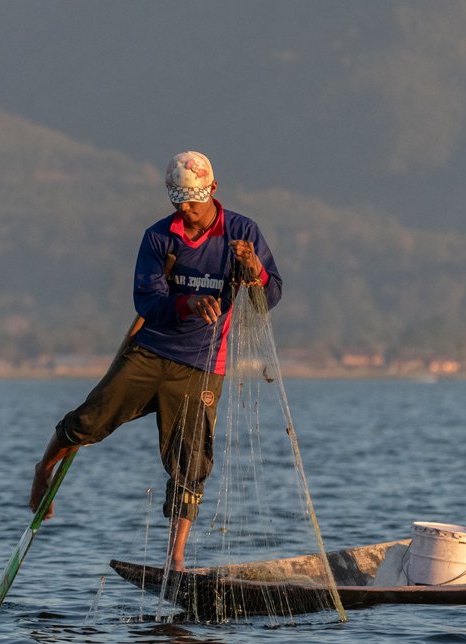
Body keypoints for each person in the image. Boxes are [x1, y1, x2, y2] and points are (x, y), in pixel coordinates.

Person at [28, 150, 282, 571]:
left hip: (202, 365)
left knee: (191, 463)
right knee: (89, 420)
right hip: (150, 352)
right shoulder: (159, 237)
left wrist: (253, 267)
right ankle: (43, 469)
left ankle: (175, 558)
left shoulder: (242, 232)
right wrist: (189, 302)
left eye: (194, 201)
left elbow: (266, 300)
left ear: (213, 191)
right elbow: (146, 298)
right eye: (178, 201)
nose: (186, 210)